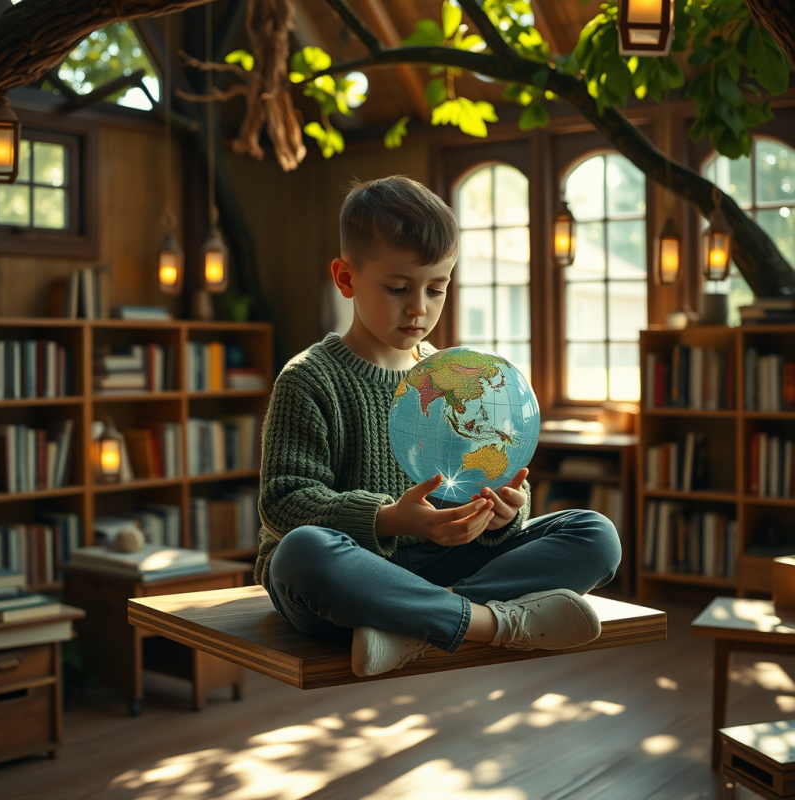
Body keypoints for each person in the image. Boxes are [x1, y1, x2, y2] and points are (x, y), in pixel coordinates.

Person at [254, 175, 622, 677]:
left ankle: (410, 624)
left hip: (435, 569)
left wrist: (500, 515)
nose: (419, 308)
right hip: (349, 577)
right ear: (346, 279)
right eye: (398, 288)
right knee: (300, 553)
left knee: (595, 533)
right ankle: (494, 624)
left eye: (437, 288)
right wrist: (389, 519)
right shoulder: (309, 379)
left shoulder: (452, 377)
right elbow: (282, 502)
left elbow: (469, 486)